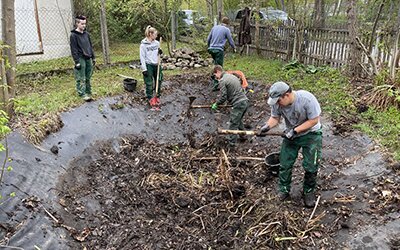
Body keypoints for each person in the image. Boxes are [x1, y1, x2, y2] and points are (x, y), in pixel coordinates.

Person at [259, 81, 322, 208]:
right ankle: (284, 190)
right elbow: (275, 118)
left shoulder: (306, 99)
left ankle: (308, 192)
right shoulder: (278, 103)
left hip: (311, 135)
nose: (277, 104)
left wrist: (295, 131)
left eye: (278, 101)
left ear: (287, 95)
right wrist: (267, 127)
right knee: (285, 163)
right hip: (291, 135)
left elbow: (314, 120)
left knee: (311, 165)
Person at [211, 65, 248, 147]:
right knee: (238, 120)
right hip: (245, 101)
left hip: (238, 103)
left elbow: (223, 96)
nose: (216, 78)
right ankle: (243, 136)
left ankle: (231, 145)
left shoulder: (223, 80)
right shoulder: (232, 76)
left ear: (217, 71)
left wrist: (216, 104)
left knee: (233, 123)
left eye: (215, 75)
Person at [70, 15, 95, 101]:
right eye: (82, 24)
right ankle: (82, 93)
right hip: (80, 58)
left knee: (88, 75)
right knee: (81, 77)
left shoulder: (86, 34)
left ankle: (88, 91)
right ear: (77, 24)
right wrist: (76, 62)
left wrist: (93, 57)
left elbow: (90, 46)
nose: (84, 26)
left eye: (85, 24)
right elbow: (73, 50)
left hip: (88, 57)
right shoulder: (73, 35)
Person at [207, 17, 236, 91]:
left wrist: (209, 46)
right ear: (227, 24)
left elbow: (208, 39)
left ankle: (213, 79)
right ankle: (216, 85)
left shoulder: (214, 27)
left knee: (215, 65)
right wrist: (234, 48)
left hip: (211, 49)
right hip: (218, 50)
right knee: (219, 68)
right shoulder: (226, 30)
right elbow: (230, 40)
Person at [140, 26, 163, 104]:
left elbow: (159, 55)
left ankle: (157, 96)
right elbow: (142, 58)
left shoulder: (157, 43)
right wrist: (144, 69)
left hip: (157, 64)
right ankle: (150, 97)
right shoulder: (143, 45)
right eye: (155, 34)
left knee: (159, 80)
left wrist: (160, 53)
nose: (156, 36)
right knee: (149, 83)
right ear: (150, 34)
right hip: (149, 65)